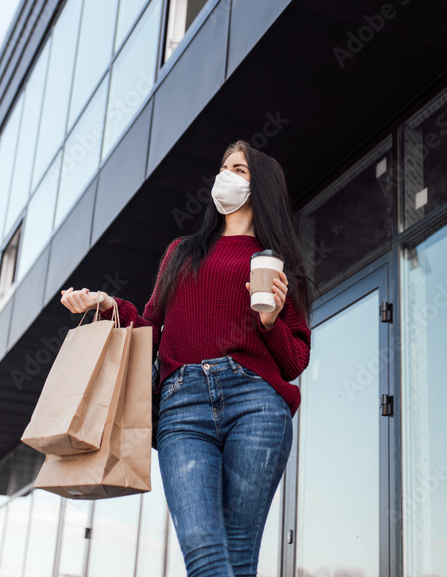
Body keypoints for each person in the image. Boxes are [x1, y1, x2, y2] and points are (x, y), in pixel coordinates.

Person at [59, 139, 312, 577]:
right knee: (202, 550)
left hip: (256, 403)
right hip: (182, 405)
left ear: (262, 185)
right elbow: (150, 330)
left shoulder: (274, 262)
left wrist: (270, 322)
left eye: (239, 169)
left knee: (237, 555)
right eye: (223, 167)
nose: (225, 177)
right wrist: (106, 303)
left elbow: (295, 360)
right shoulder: (182, 252)